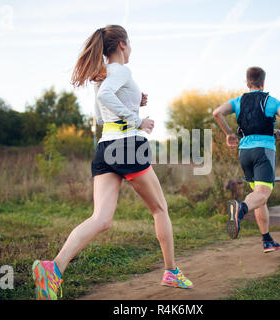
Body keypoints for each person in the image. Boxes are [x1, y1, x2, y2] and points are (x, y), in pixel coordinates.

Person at [31, 25, 193, 300]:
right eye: (129, 44)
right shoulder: (121, 71)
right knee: (159, 209)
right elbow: (108, 99)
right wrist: (137, 120)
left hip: (106, 147)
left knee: (101, 219)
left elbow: (101, 112)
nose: (130, 50)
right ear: (121, 45)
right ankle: (171, 272)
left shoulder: (102, 76)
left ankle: (54, 268)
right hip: (128, 145)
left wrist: (133, 105)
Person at [212, 66, 280, 253]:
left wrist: (229, 134)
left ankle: (266, 239)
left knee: (259, 197)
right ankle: (241, 209)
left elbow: (217, 113)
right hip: (263, 151)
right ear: (263, 83)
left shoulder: (238, 101)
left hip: (244, 153)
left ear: (247, 82)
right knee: (262, 195)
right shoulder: (270, 101)